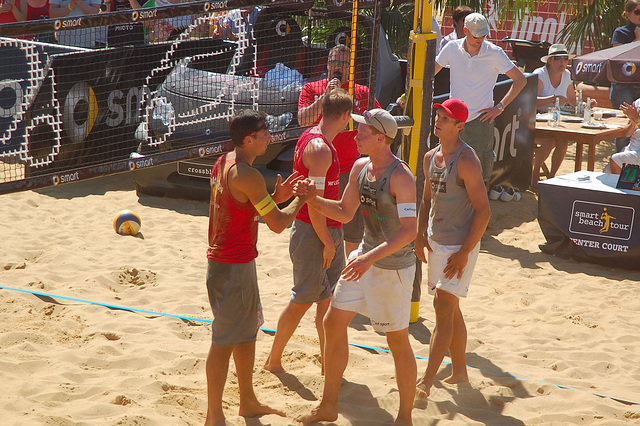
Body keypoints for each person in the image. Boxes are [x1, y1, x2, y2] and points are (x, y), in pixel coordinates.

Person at [296, 108, 418, 425]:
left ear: (382, 138)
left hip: (391, 267)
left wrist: (368, 257)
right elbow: (345, 211)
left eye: (363, 131)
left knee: (397, 342)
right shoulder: (361, 167)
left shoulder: (401, 175)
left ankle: (405, 417)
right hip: (363, 259)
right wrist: (312, 198)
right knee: (332, 324)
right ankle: (328, 405)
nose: (356, 134)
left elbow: (410, 231)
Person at [204, 109, 310, 425]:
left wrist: (275, 197)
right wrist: (300, 200)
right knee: (223, 343)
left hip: (234, 263)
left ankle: (247, 401)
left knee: (246, 333)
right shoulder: (246, 174)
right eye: (264, 133)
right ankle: (214, 416)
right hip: (230, 267)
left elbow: (248, 208)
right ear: (248, 139)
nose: (270, 137)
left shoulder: (225, 161)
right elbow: (277, 223)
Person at [263, 88, 353, 374]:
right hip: (313, 233)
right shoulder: (320, 149)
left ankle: (329, 366)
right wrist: (328, 242)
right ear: (346, 116)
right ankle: (273, 360)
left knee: (328, 305)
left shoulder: (313, 136)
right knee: (301, 300)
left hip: (323, 230)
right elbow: (313, 204)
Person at [414, 98, 491, 398]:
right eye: (437, 115)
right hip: (436, 242)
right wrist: (420, 234)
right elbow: (425, 200)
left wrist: (464, 252)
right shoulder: (429, 156)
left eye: (445, 118)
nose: (438, 120)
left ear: (460, 126)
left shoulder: (467, 159)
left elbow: (483, 212)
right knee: (451, 307)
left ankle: (426, 382)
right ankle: (459, 371)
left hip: (461, 244)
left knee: (442, 307)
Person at [298, 44, 381, 256]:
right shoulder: (312, 89)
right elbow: (302, 120)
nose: (338, 68)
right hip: (319, 171)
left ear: (351, 69)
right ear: (326, 64)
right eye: (334, 63)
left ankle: (348, 278)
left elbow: (380, 124)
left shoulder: (363, 92)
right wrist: (323, 99)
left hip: (348, 172)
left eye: (343, 64)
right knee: (317, 223)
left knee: (352, 232)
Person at [435, 12, 526, 187]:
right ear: (465, 31)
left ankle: (478, 212)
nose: (480, 39)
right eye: (477, 35)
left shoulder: (495, 52)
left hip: (479, 121)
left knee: (479, 177)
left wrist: (500, 107)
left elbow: (520, 80)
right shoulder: (451, 48)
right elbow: (428, 74)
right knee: (447, 170)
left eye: (484, 35)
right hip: (453, 121)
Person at [531, 44, 577, 189]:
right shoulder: (540, 74)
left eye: (565, 58)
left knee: (563, 141)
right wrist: (552, 99)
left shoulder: (567, 75)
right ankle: (535, 174)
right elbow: (531, 101)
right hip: (536, 121)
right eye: (558, 59)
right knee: (549, 141)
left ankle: (551, 177)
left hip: (556, 120)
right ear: (549, 61)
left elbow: (572, 99)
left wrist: (584, 104)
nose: (563, 62)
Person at [611, 0, 640, 152]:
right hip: (623, 86)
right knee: (624, 127)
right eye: (637, 11)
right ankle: (620, 166)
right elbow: (617, 56)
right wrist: (637, 40)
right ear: (628, 14)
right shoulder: (621, 32)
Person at [608, 98, 640, 174]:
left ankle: (622, 186)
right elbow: (627, 134)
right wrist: (633, 122)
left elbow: (637, 120)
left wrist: (637, 120)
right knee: (607, 171)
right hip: (632, 148)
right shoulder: (637, 103)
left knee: (616, 159)